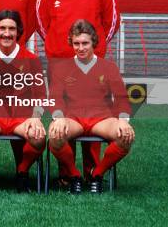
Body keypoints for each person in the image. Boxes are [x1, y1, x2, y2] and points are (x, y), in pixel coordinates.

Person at [36, 0, 120, 186]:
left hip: (92, 65)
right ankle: (66, 173)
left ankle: (91, 171)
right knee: (63, 117)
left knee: (94, 114)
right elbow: (42, 25)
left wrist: (94, 50)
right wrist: (60, 49)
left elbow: (111, 22)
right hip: (59, 64)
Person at [48, 19, 134, 194]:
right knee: (54, 135)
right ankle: (74, 175)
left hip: (101, 118)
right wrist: (58, 117)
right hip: (73, 118)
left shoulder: (109, 67)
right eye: (76, 43)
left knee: (125, 137)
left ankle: (97, 174)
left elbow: (121, 98)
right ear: (71, 43)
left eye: (85, 43)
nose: (81, 48)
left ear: (93, 42)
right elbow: (55, 97)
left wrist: (123, 120)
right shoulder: (61, 68)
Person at [0, 10, 46, 192]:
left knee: (39, 138)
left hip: (22, 116)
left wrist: (36, 117)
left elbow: (41, 95)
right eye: (2, 28)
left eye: (11, 28)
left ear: (18, 31)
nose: (6, 33)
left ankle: (22, 172)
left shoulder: (32, 59)